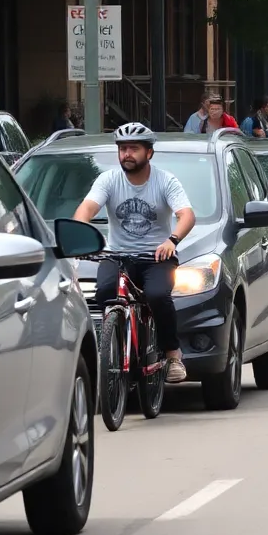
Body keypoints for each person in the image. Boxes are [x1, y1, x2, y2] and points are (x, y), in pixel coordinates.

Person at [73, 123, 196, 383]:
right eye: (122, 149)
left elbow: (186, 215)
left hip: (156, 257)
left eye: (133, 149)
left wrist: (172, 240)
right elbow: (86, 210)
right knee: (105, 293)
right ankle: (112, 351)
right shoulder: (108, 180)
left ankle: (173, 355)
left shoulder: (165, 181)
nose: (127, 154)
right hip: (118, 255)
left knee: (157, 295)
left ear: (149, 153)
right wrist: (82, 237)